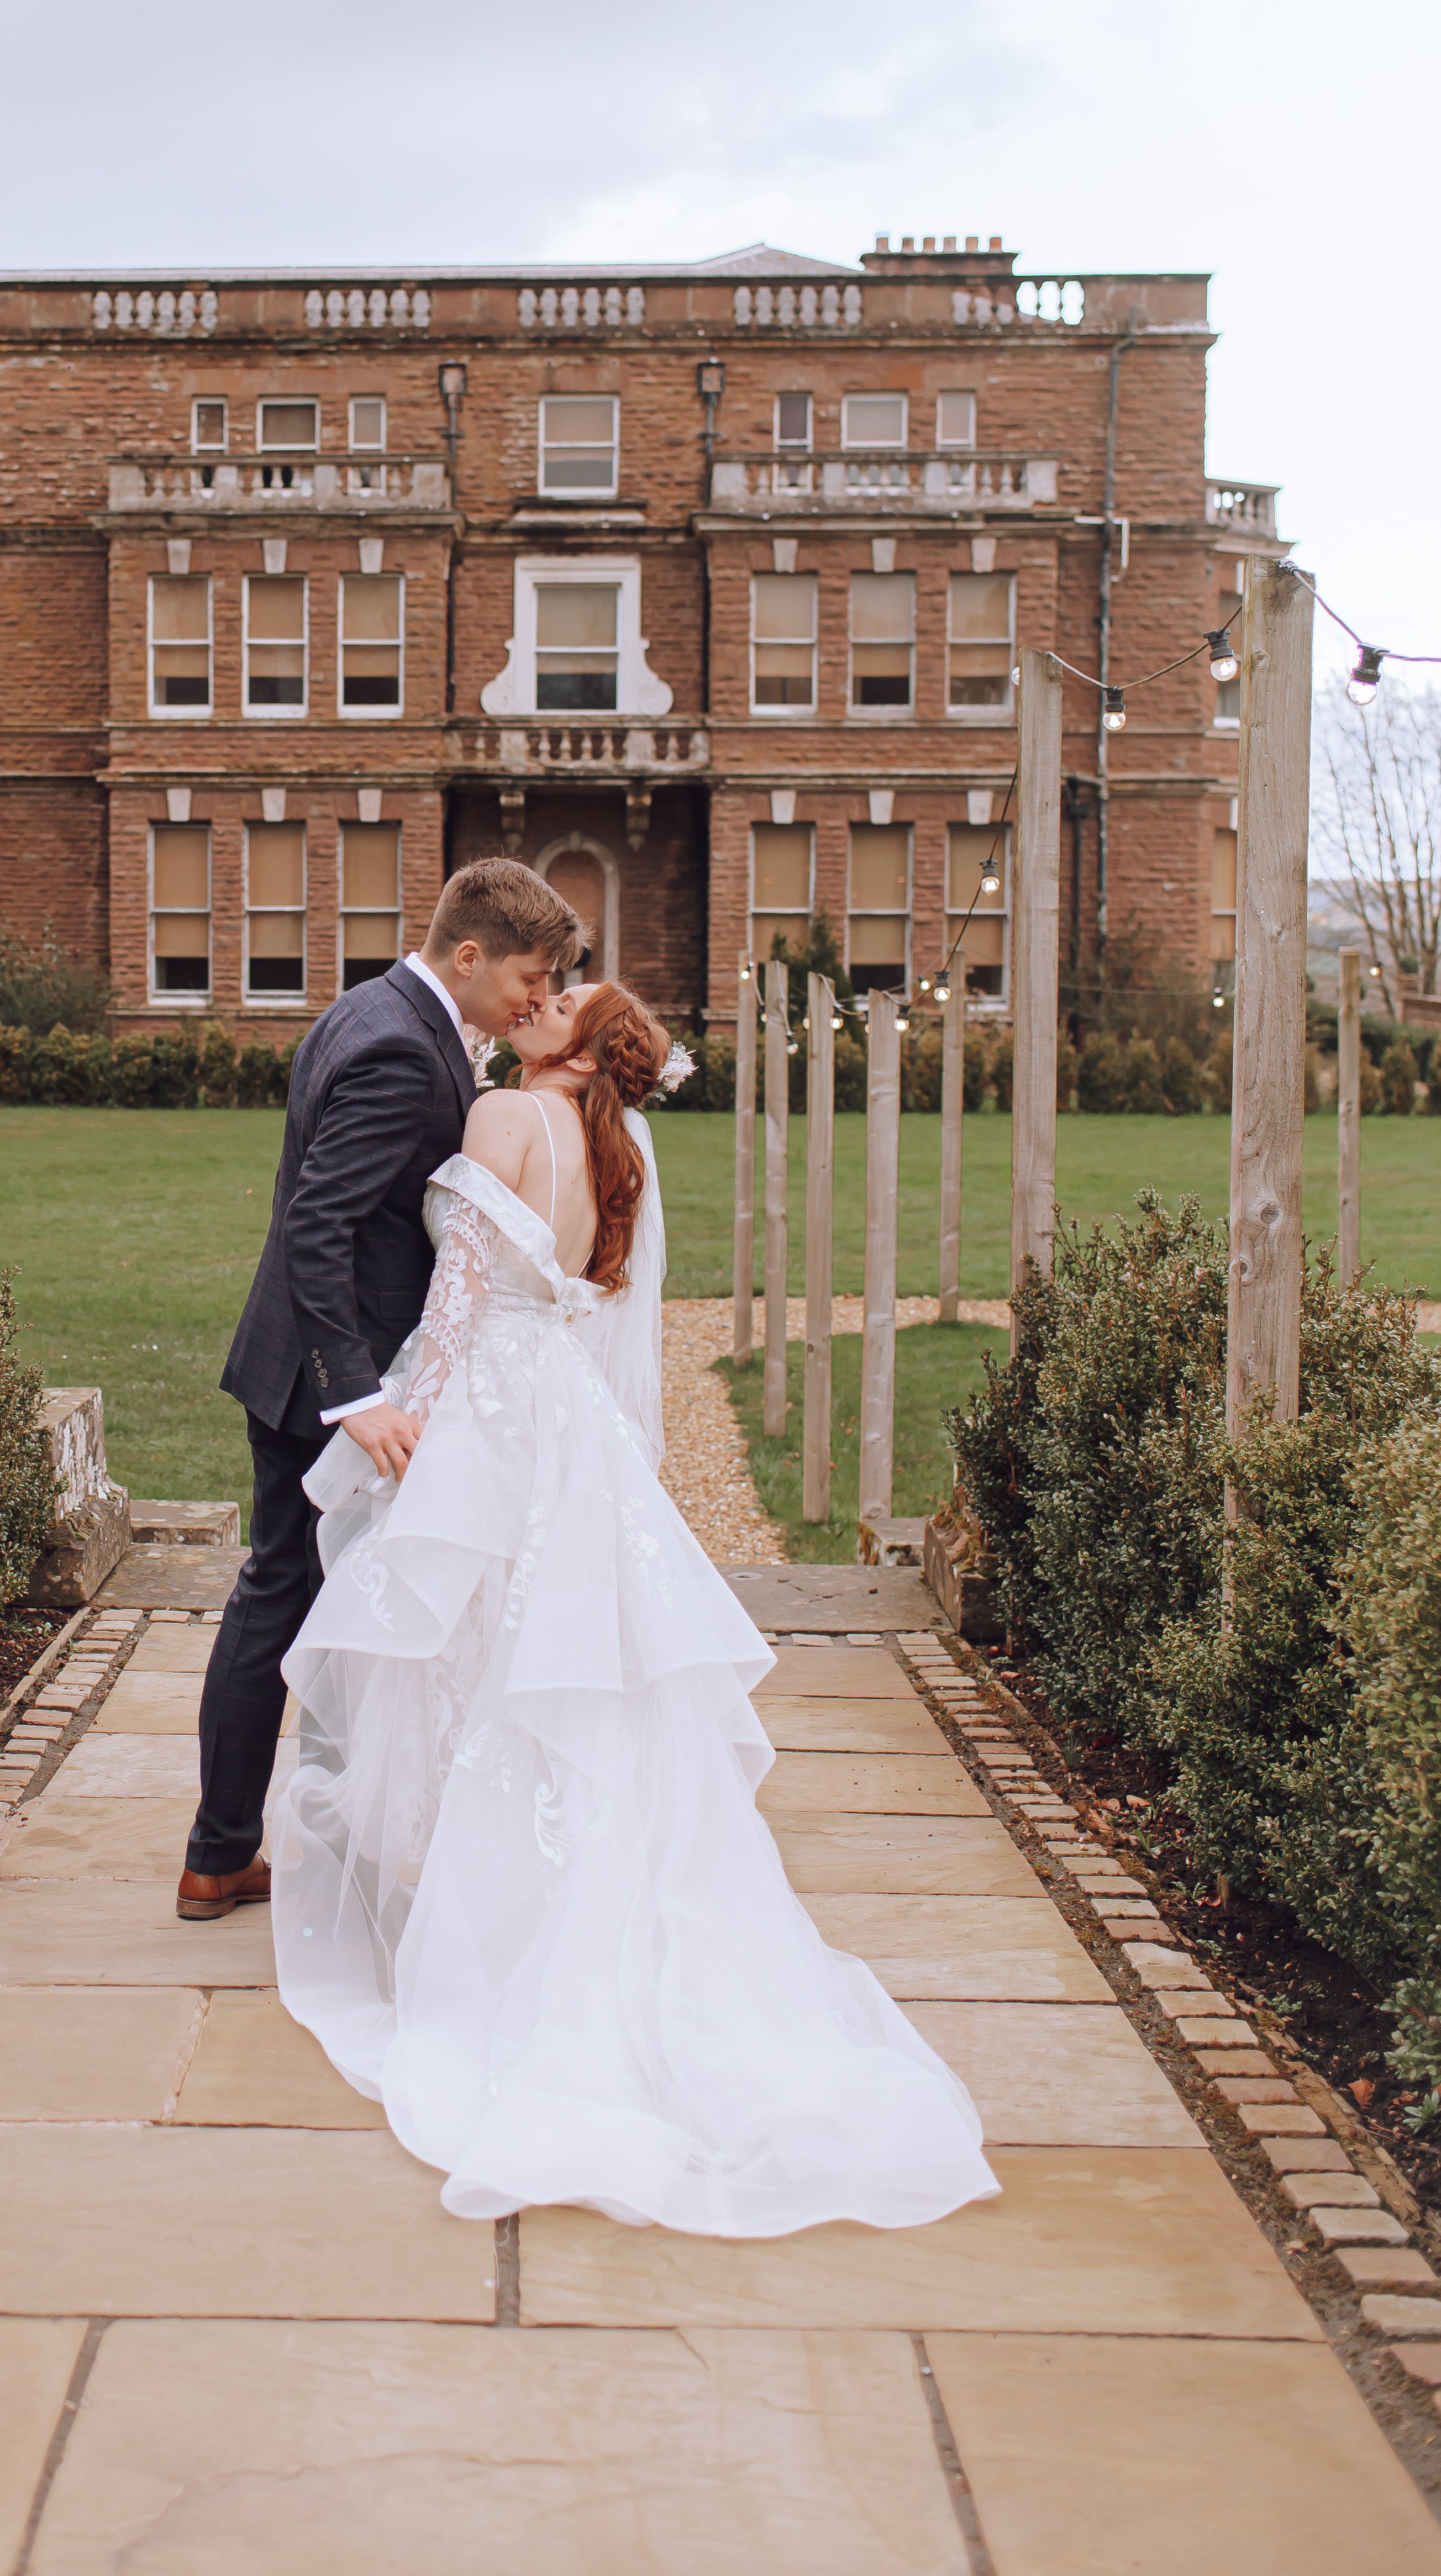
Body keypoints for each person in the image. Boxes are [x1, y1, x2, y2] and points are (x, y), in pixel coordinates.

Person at [272, 976, 1001, 2238]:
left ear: (574, 1047)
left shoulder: (504, 1116)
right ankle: (550, 1896)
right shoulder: (628, 1145)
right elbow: (597, 1306)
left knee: (463, 1643)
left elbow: (457, 1296)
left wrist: (402, 1412)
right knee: (562, 1656)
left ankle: (460, 1915)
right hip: (566, 1407)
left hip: (490, 1396)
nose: (537, 1005)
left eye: (560, 1003)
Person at [178, 856, 585, 1920]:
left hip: (314, 1363)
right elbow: (319, 1227)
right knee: (280, 1600)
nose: (534, 1003)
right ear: (467, 955)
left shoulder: (369, 1008)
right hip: (329, 1378)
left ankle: (244, 1846)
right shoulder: (405, 1052)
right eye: (525, 980)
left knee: (294, 1596)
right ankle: (223, 1853)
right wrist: (354, 1396)